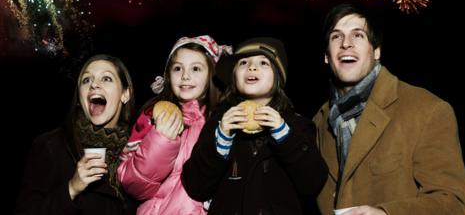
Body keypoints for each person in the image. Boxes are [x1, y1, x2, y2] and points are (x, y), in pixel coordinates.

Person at [313, 3, 465, 215]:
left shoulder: (426, 109)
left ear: (376, 51)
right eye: (336, 37)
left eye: (358, 35)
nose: (346, 44)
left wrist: (386, 213)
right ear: (326, 56)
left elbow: (453, 205)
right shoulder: (318, 122)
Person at [182, 37, 328, 215]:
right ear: (234, 76)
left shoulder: (298, 126)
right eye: (243, 62)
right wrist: (222, 139)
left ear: (278, 77)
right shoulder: (219, 122)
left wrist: (285, 136)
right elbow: (196, 186)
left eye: (264, 63)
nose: (252, 67)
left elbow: (313, 183)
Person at [117, 35, 231, 214]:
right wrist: (161, 141)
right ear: (168, 75)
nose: (185, 76)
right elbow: (133, 186)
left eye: (196, 68)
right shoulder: (152, 115)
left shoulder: (223, 121)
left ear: (211, 73)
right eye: (178, 68)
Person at [15, 54, 137, 215]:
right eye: (86, 80)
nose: (94, 84)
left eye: (106, 78)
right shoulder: (51, 146)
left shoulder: (137, 148)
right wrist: (72, 188)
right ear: (80, 98)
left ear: (125, 94)